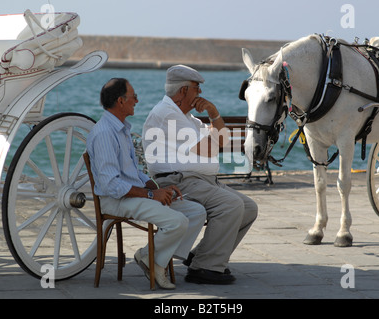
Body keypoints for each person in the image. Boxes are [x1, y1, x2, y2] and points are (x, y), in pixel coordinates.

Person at [142, 65, 258, 285]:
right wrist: (213, 117)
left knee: (249, 208)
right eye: (197, 88)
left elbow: (221, 142)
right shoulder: (167, 114)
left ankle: (201, 255)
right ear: (184, 90)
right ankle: (204, 268)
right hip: (178, 181)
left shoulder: (188, 118)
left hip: (200, 181)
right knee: (231, 205)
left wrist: (214, 115)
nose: (201, 93)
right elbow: (209, 149)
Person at [86, 78, 206, 289]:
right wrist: (151, 196)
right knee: (177, 221)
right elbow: (111, 185)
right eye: (134, 97)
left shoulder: (121, 129)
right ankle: (155, 262)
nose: (137, 101)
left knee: (196, 212)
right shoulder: (105, 133)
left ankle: (152, 257)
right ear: (121, 101)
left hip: (132, 194)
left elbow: (134, 173)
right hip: (116, 200)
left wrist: (157, 188)